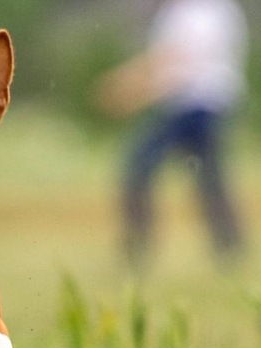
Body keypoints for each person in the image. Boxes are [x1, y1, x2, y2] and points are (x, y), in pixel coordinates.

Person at [97, 0, 248, 269]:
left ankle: (138, 248)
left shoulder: (200, 11)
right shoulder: (208, 10)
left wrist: (129, 88)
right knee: (209, 181)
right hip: (195, 106)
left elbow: (175, 62)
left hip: (196, 107)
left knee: (140, 168)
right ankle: (229, 248)